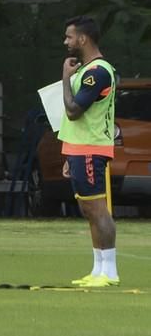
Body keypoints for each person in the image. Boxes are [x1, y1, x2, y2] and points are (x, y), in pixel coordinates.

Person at [59, 16, 119, 287]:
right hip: (78, 148)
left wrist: (64, 79)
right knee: (88, 209)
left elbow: (73, 111)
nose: (66, 42)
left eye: (69, 37)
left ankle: (110, 271)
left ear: (82, 39)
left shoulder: (98, 71)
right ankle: (98, 270)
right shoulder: (86, 70)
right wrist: (68, 153)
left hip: (91, 148)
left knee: (97, 209)